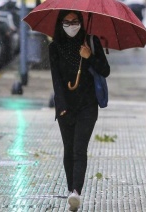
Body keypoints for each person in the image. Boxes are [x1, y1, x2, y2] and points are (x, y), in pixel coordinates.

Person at [48, 10, 110, 211]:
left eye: (75, 21)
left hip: (88, 105)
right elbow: (56, 80)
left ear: (82, 22)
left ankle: (76, 191)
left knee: (79, 148)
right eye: (66, 21)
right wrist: (61, 106)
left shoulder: (90, 42)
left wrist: (89, 56)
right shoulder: (54, 47)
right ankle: (70, 190)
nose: (71, 25)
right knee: (68, 149)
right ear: (60, 23)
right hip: (66, 105)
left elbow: (105, 70)